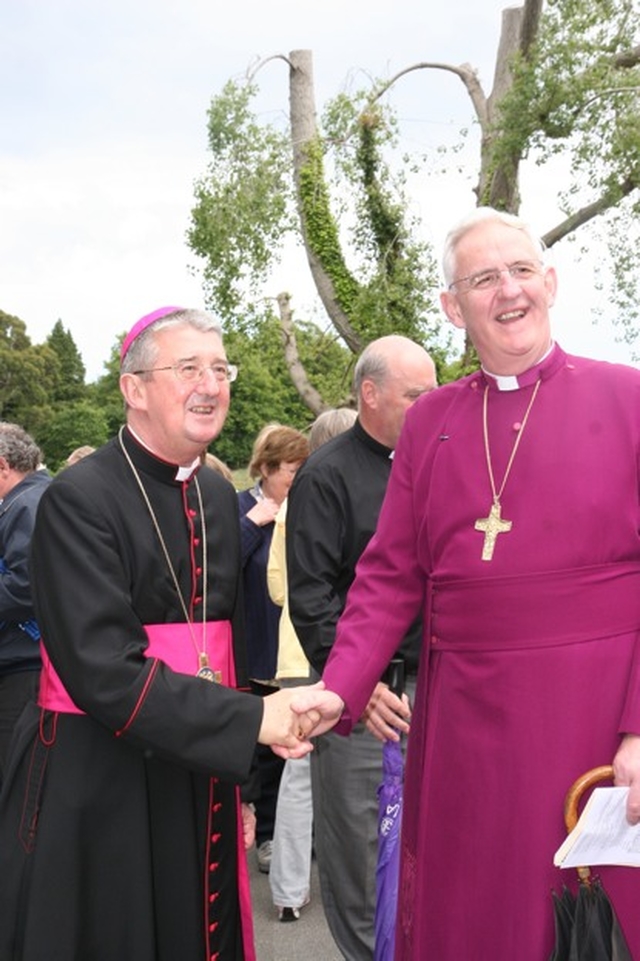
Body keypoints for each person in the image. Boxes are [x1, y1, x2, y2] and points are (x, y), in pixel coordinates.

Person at [293, 208, 640, 960]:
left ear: (550, 282)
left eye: (520, 271)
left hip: (591, 715)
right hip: (465, 725)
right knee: (479, 916)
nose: (507, 290)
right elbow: (389, 574)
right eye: (484, 278)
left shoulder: (629, 398)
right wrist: (338, 687)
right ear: (454, 307)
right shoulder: (432, 422)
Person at [0, 305, 315, 961]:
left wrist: (245, 772)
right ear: (134, 388)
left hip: (198, 761)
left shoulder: (215, 492)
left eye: (220, 368)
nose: (211, 384)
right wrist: (250, 720)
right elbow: (102, 669)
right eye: (188, 368)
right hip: (102, 769)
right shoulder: (78, 498)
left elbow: (216, 647)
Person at [286, 336, 437, 959]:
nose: (430, 406)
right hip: (363, 704)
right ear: (370, 395)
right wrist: (360, 687)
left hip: (438, 692)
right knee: (360, 853)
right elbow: (312, 599)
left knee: (430, 850)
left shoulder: (437, 462)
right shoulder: (326, 477)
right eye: (416, 396)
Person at [268, 407, 357, 923]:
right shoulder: (324, 501)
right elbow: (285, 587)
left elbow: (281, 587)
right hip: (324, 654)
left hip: (300, 651)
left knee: (300, 776)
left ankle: (289, 890)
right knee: (321, 773)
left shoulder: (289, 507)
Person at [238, 423, 310, 874]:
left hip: (295, 649)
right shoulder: (241, 507)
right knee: (261, 751)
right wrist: (250, 527)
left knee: (296, 748)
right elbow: (217, 567)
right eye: (289, 471)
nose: (296, 480)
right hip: (255, 643)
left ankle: (295, 837)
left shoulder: (306, 507)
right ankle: (265, 835)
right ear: (264, 469)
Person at [0, 423, 51, 788]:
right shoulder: (29, 499)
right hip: (27, 660)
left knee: (16, 776)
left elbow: (26, 586)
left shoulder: (27, 504)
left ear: (3, 466)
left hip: (27, 664)